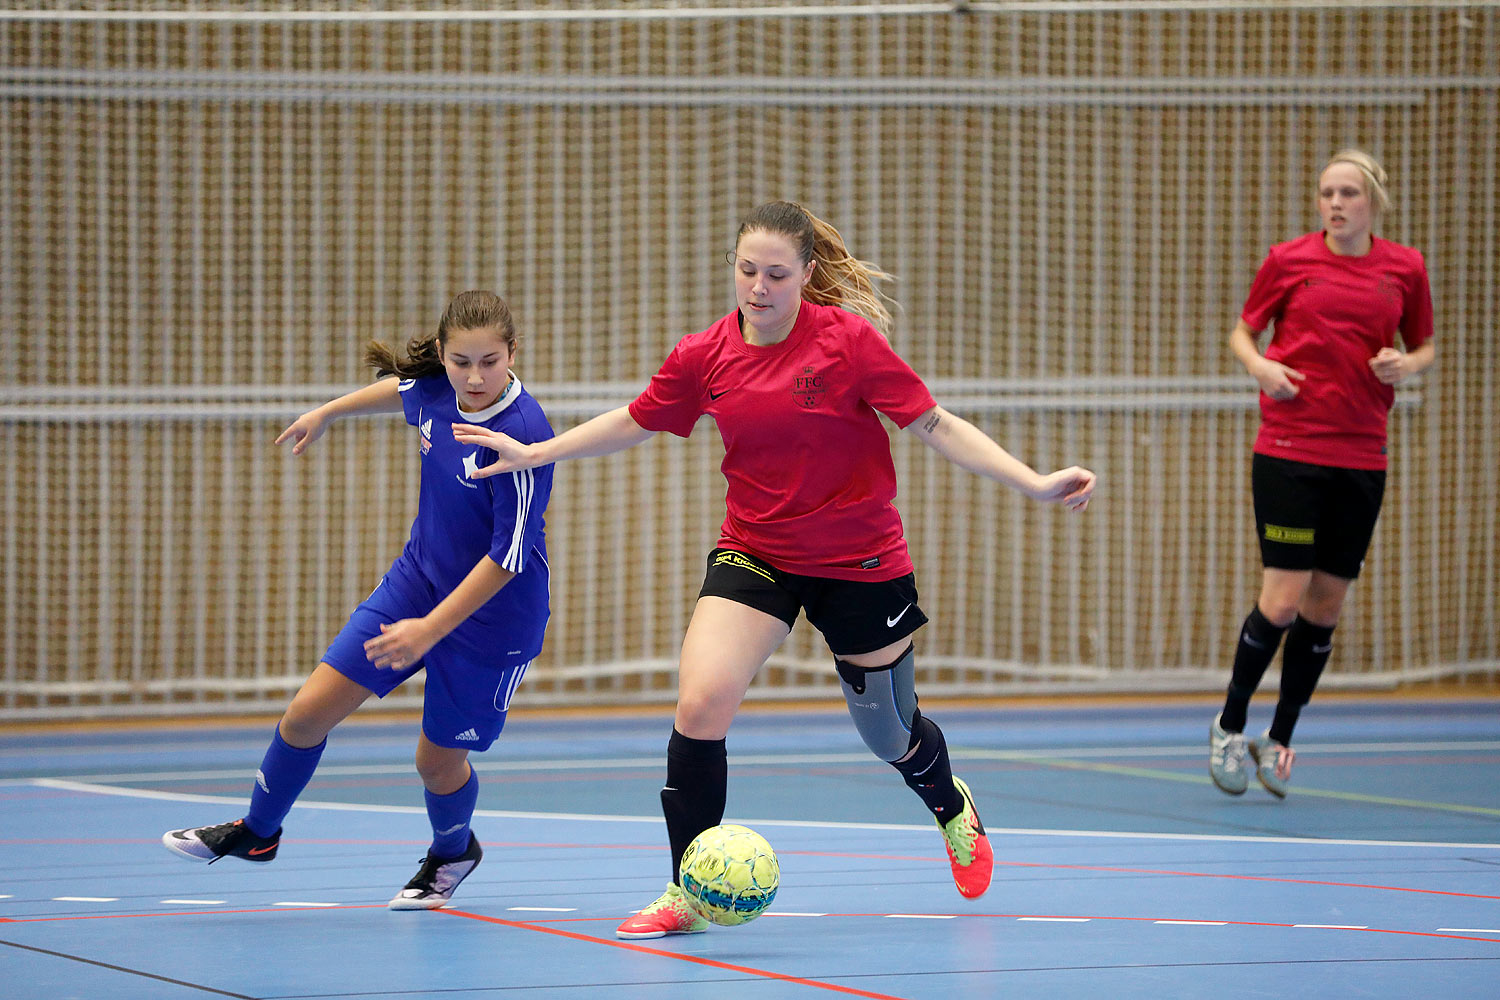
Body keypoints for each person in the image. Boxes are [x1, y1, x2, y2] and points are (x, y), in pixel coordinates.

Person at [453, 201, 1096, 938]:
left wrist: (1035, 482)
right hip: (757, 551)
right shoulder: (705, 354)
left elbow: (936, 425)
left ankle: (950, 803)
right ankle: (686, 891)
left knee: (889, 735)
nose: (758, 287)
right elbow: (636, 419)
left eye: (776, 274)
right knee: (700, 704)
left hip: (860, 558)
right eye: (747, 270)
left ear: (807, 275)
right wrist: (538, 452)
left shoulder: (849, 344)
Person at [162, 290, 556, 910]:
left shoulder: (523, 435)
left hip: (492, 618)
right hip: (416, 583)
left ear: (514, 354)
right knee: (305, 716)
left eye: (489, 361)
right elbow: (403, 390)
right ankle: (258, 833)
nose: (475, 377)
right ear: (446, 359)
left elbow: (507, 560)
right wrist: (328, 411)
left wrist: (428, 630)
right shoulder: (436, 392)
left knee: (435, 764)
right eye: (460, 361)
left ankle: (454, 851)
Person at [1208, 150, 1434, 799]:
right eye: (1326, 193)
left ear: (1373, 202)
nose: (1336, 203)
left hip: (1363, 455)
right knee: (1281, 601)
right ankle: (1228, 725)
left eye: (1348, 193)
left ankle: (1278, 737)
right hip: (1289, 448)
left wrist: (1406, 364)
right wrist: (1261, 368)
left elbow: (1425, 342)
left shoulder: (1405, 268)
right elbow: (1243, 333)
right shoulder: (1289, 260)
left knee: (1325, 607)